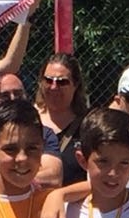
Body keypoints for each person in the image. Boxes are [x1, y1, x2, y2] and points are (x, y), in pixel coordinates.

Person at [36, 51, 90, 188]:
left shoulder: (88, 124)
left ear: (76, 85)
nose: (54, 87)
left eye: (62, 82)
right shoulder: (28, 120)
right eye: (48, 80)